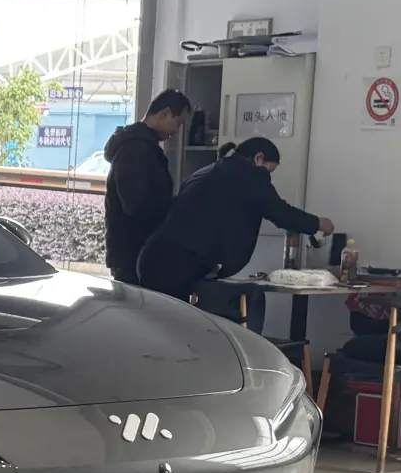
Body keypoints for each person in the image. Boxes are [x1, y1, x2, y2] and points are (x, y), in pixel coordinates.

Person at [136, 137, 335, 310]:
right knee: (173, 328)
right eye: (269, 170)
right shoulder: (249, 176)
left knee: (159, 325)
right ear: (258, 158)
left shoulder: (208, 171)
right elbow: (281, 213)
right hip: (177, 264)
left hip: (155, 256)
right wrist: (318, 223)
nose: (267, 177)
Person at [102, 89, 192, 283]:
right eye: (178, 123)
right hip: (134, 253)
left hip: (135, 252)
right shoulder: (136, 149)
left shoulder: (142, 146)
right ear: (165, 114)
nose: (176, 132)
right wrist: (173, 210)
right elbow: (137, 204)